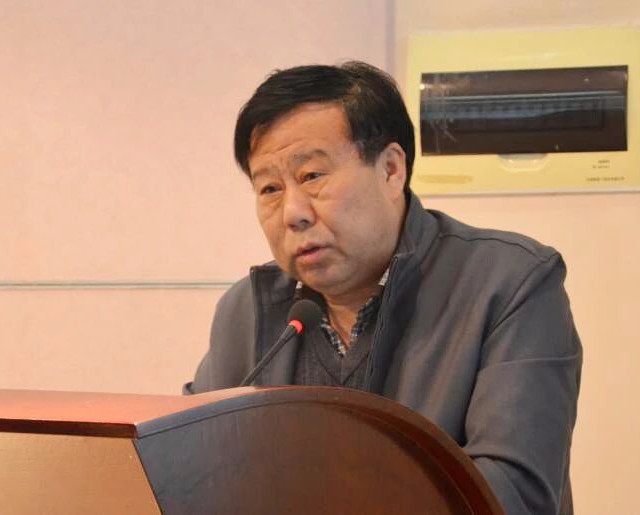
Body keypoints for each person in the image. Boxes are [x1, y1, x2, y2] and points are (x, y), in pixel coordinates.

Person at [184, 61, 582, 515]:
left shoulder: (509, 282)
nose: (293, 212)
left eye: (312, 176)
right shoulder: (246, 310)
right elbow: (189, 468)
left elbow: (511, 495)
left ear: (391, 170)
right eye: (270, 189)